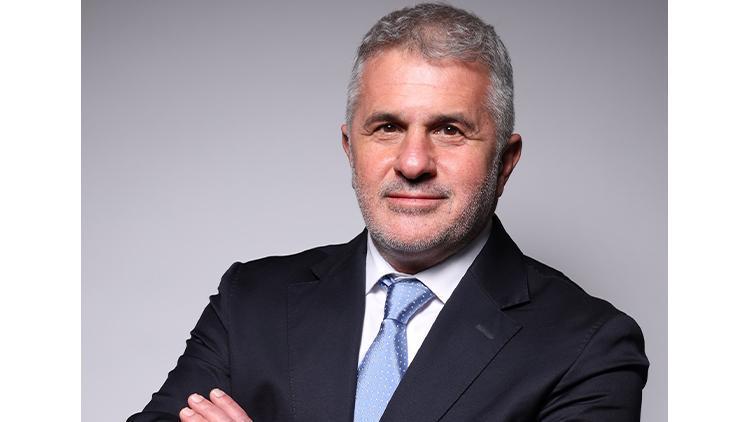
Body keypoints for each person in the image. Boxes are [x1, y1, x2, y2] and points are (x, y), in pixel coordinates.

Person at [129, 3, 649, 421]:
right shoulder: (250, 300)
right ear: (349, 148)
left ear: (504, 162)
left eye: (449, 129)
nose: (413, 162)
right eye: (387, 128)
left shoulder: (589, 347)